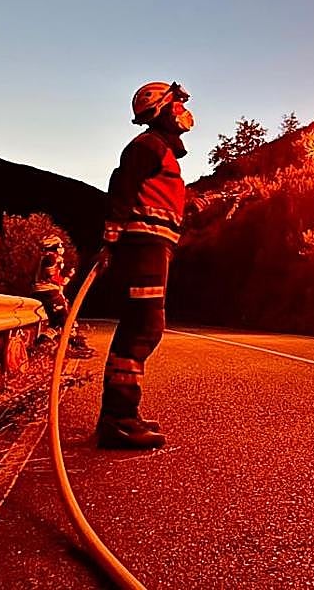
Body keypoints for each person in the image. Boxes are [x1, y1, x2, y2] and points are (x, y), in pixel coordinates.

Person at [97, 81, 196, 450]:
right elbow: (121, 189)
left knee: (140, 326)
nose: (185, 112)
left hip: (151, 246)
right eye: (179, 104)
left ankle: (120, 416)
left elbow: (153, 197)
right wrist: (110, 240)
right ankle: (119, 419)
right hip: (143, 246)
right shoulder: (148, 146)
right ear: (162, 109)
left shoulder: (161, 152)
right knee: (143, 327)